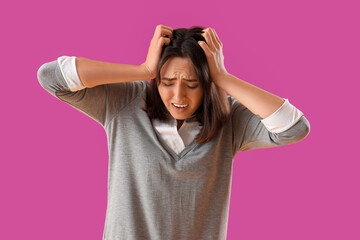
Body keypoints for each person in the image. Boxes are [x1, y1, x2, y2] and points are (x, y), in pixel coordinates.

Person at [37, 24, 310, 240]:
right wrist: (141, 69)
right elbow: (51, 77)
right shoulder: (124, 103)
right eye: (167, 82)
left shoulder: (230, 119)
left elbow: (294, 128)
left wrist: (223, 77)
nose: (178, 95)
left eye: (192, 84)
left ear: (207, 84)